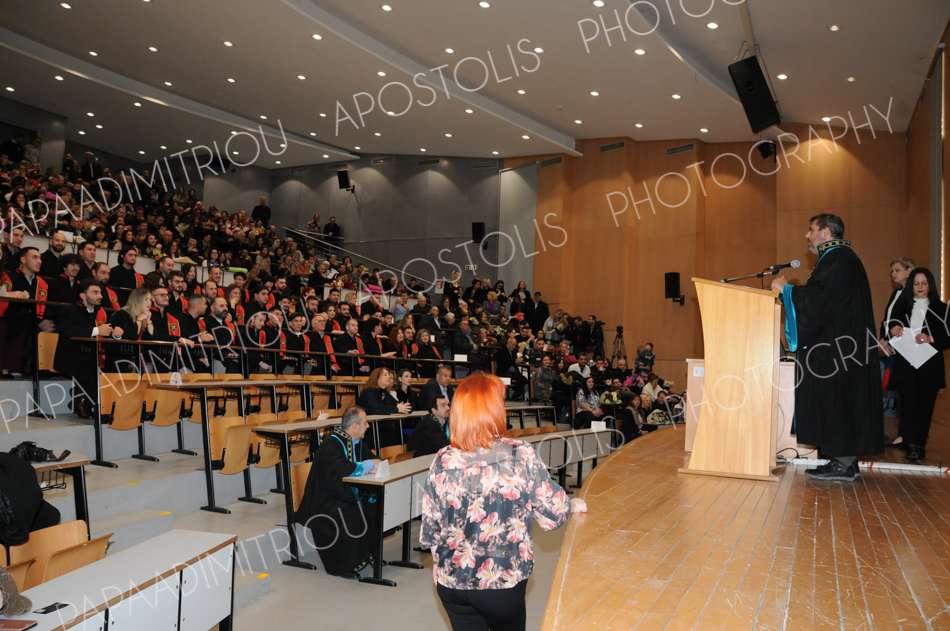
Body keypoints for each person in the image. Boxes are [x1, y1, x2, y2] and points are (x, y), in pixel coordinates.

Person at [419, 373, 586, 631]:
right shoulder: (519, 453)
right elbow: (554, 512)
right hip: (500, 581)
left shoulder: (442, 459)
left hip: (452, 582)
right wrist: (572, 504)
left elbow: (431, 529)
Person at [772, 213, 883, 481]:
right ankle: (841, 461)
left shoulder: (839, 259)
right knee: (838, 402)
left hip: (838, 353)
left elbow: (820, 300)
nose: (807, 236)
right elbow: (825, 299)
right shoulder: (839, 259)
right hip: (840, 349)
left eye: (811, 230)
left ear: (825, 232)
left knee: (838, 402)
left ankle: (844, 464)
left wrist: (787, 290)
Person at [295, 406, 379, 579]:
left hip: (342, 494)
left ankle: (365, 555)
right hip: (324, 500)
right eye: (365, 423)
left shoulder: (356, 442)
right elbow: (339, 472)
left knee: (374, 504)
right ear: (354, 426)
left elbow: (372, 459)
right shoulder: (331, 444)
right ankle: (341, 566)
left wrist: (375, 464)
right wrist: (365, 466)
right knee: (350, 513)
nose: (368, 426)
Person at [887, 267, 950, 462]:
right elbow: (891, 325)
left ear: (930, 285)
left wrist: (930, 338)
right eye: (916, 284)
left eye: (924, 283)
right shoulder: (902, 306)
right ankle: (909, 441)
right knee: (907, 405)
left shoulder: (942, 309)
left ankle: (919, 445)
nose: (920, 287)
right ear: (911, 286)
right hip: (906, 364)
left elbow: (948, 338)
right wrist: (894, 328)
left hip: (929, 366)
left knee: (925, 406)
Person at [54, 279, 117, 418]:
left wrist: (115, 333)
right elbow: (69, 331)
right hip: (72, 356)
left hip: (93, 356)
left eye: (100, 292)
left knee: (114, 367)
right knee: (89, 370)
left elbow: (107, 331)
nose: (100, 296)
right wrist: (97, 330)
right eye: (95, 292)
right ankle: (89, 404)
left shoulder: (100, 312)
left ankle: (89, 403)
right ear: (83, 295)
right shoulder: (69, 310)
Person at [879, 257, 914, 432]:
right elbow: (887, 319)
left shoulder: (914, 293)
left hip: (904, 348)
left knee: (902, 392)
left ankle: (905, 434)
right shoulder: (897, 292)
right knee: (890, 389)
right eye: (892, 271)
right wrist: (882, 339)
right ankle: (896, 433)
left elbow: (911, 323)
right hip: (890, 347)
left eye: (897, 270)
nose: (893, 274)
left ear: (909, 271)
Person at [357, 367, 412, 447]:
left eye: (389, 375)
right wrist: (397, 408)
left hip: (384, 429)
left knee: (408, 440)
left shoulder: (384, 392)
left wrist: (405, 408)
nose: (389, 377)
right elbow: (376, 409)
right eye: (385, 375)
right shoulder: (369, 391)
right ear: (377, 377)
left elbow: (398, 405)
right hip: (371, 431)